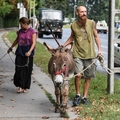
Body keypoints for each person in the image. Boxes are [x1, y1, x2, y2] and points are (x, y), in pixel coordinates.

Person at [62, 6, 102, 106]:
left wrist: (100, 50)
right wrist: (64, 45)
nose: (84, 13)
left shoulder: (91, 23)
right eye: (82, 12)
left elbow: (96, 37)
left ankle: (84, 97)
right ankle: (77, 95)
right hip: (78, 55)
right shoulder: (73, 25)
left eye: (85, 11)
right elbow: (72, 37)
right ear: (77, 13)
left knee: (88, 77)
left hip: (90, 55)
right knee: (78, 75)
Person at [7, 17, 37, 93]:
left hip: (28, 53)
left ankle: (25, 87)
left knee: (27, 70)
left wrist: (30, 51)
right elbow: (17, 40)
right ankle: (20, 86)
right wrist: (11, 47)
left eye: (21, 24)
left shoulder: (32, 32)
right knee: (19, 69)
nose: (20, 26)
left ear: (25, 24)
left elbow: (33, 43)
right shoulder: (20, 31)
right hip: (20, 51)